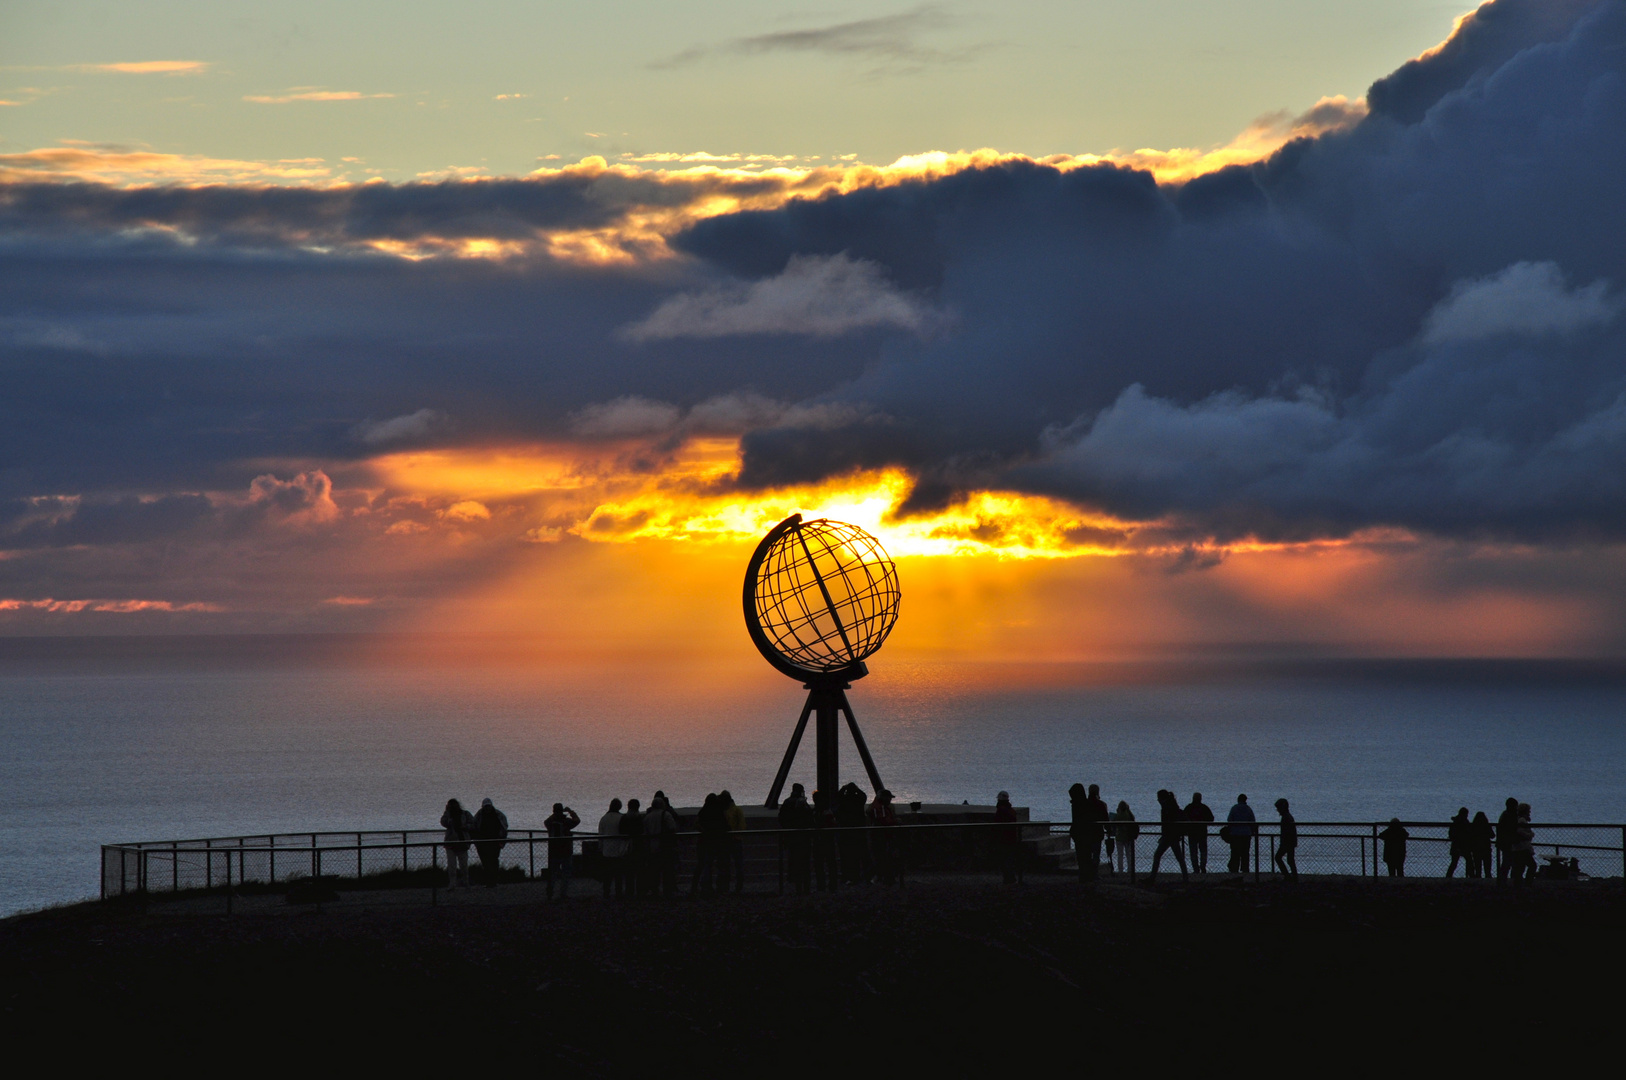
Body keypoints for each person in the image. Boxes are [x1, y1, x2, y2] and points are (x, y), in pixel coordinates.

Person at [1146, 789, 1189, 883]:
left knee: (1158, 855)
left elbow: (1167, 824)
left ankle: (1152, 877)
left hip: (1169, 836)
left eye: (1158, 798)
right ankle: (1185, 877)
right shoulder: (1172, 806)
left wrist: (1165, 835)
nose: (1157, 800)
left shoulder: (1167, 808)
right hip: (1173, 835)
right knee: (1179, 857)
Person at [778, 783, 814, 895]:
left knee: (794, 860)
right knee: (805, 863)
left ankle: (797, 884)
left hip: (792, 836)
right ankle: (806, 887)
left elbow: (781, 817)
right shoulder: (803, 804)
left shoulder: (787, 802)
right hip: (804, 837)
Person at [646, 791, 680, 897]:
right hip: (664, 846)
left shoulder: (648, 817)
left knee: (654, 870)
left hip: (652, 847)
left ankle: (654, 890)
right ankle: (667, 890)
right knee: (667, 870)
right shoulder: (666, 815)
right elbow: (672, 828)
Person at [544, 802, 581, 900]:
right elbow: (577, 820)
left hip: (553, 851)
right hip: (566, 850)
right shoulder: (566, 822)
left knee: (552, 873)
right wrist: (570, 811)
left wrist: (555, 815)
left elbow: (546, 821)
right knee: (565, 873)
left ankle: (550, 893)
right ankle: (563, 893)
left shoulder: (550, 823)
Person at [836, 782, 871, 884]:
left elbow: (837, 797)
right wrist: (857, 788)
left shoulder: (844, 800)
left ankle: (848, 876)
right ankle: (863, 876)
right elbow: (863, 796)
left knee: (847, 856)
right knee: (860, 854)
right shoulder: (858, 800)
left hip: (846, 831)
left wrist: (843, 788)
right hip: (858, 831)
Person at [690, 793, 726, 895]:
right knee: (713, 864)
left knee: (702, 864)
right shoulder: (718, 812)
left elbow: (696, 824)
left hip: (703, 841)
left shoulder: (703, 811)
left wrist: (704, 831)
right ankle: (713, 886)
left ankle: (696, 886)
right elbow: (724, 825)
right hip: (715, 841)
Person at [473, 797, 508, 888]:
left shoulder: (498, 815)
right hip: (482, 842)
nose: (487, 808)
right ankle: (489, 881)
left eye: (488, 806)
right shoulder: (479, 815)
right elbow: (474, 827)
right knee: (485, 862)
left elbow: (504, 827)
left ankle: (493, 881)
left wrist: (501, 839)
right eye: (486, 806)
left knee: (493, 861)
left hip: (495, 842)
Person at [440, 798, 474, 889]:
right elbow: (443, 822)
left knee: (464, 865)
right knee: (451, 865)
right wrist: (447, 812)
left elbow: (473, 824)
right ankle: (452, 883)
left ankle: (465, 882)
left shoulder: (465, 814)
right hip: (451, 843)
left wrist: (465, 826)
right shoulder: (447, 815)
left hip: (462, 842)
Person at [868, 788, 899, 886]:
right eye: (889, 798)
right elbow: (884, 821)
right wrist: (896, 822)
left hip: (880, 835)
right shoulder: (880, 808)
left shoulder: (877, 807)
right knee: (884, 856)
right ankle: (885, 877)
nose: (890, 800)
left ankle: (883, 876)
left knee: (881, 856)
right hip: (882, 836)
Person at [598, 798, 627, 898]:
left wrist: (601, 848)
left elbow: (600, 835)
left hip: (606, 850)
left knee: (607, 875)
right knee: (618, 874)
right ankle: (618, 892)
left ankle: (606, 892)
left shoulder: (604, 818)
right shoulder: (621, 818)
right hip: (618, 850)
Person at [1222, 794, 1255, 876]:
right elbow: (1252, 821)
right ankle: (1245, 869)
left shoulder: (1234, 808)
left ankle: (1234, 869)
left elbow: (1229, 820)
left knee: (1235, 852)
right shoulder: (1248, 809)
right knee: (1245, 853)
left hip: (1235, 834)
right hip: (1246, 834)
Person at [812, 789, 838, 891]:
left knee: (820, 864)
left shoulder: (815, 812)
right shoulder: (827, 811)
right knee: (830, 863)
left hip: (819, 840)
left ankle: (821, 886)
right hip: (827, 839)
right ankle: (832, 885)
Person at [994, 791, 1023, 884]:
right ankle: (1011, 877)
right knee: (1010, 859)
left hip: (1003, 838)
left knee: (1004, 859)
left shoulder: (1000, 811)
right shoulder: (1011, 811)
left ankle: (1008, 878)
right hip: (1011, 838)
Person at [619, 797, 645, 898]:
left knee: (628, 871)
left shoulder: (624, 818)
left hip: (627, 847)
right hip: (638, 847)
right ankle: (639, 891)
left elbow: (621, 830)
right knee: (639, 871)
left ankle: (629, 891)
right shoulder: (639, 818)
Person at [721, 790, 746, 893]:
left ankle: (733, 885)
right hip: (733, 840)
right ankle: (735, 886)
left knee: (731, 864)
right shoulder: (736, 810)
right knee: (734, 864)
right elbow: (742, 825)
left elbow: (741, 826)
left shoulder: (731, 811)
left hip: (733, 840)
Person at [1185, 792, 1214, 874]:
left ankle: (1196, 868)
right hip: (1202, 831)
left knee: (1193, 851)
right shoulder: (1204, 808)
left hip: (1192, 832)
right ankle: (1203, 867)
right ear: (1200, 798)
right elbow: (1211, 819)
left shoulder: (1189, 808)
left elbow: (1183, 817)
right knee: (1203, 850)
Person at [1510, 803, 1537, 883]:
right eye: (1528, 811)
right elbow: (1520, 831)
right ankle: (1528, 882)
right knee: (1532, 865)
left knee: (1520, 867)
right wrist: (1530, 835)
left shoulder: (1519, 819)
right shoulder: (1522, 820)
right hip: (1523, 847)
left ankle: (1519, 883)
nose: (1529, 812)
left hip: (1519, 847)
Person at [1111, 800, 1138, 880]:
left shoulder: (1118, 816)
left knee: (1120, 855)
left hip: (1119, 837)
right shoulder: (1129, 815)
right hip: (1128, 837)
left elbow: (1113, 823)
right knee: (1128, 855)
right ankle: (1130, 870)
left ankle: (1120, 871)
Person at [1495, 797, 1520, 882]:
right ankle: (1511, 879)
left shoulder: (1505, 814)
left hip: (1505, 842)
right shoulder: (1512, 815)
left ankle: (1503, 879)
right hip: (1510, 842)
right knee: (1510, 862)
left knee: (1507, 862)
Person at [1272, 798, 1297, 881]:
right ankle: (1293, 877)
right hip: (1290, 841)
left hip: (1287, 842)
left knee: (1278, 857)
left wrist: (1284, 842)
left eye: (1278, 808)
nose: (1278, 810)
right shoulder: (1288, 817)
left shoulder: (1286, 817)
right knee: (1290, 860)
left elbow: (1287, 832)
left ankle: (1288, 876)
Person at [1468, 810, 1494, 879]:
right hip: (1486, 847)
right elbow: (1492, 835)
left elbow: (1470, 836)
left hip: (1476, 848)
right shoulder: (1487, 826)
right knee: (1487, 864)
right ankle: (1488, 877)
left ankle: (1478, 877)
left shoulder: (1473, 826)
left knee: (1477, 864)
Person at [1446, 807, 1471, 878]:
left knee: (1454, 862)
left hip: (1456, 844)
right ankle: (1471, 876)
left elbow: (1451, 834)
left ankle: (1448, 876)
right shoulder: (1465, 822)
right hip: (1463, 844)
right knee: (1469, 861)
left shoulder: (1455, 822)